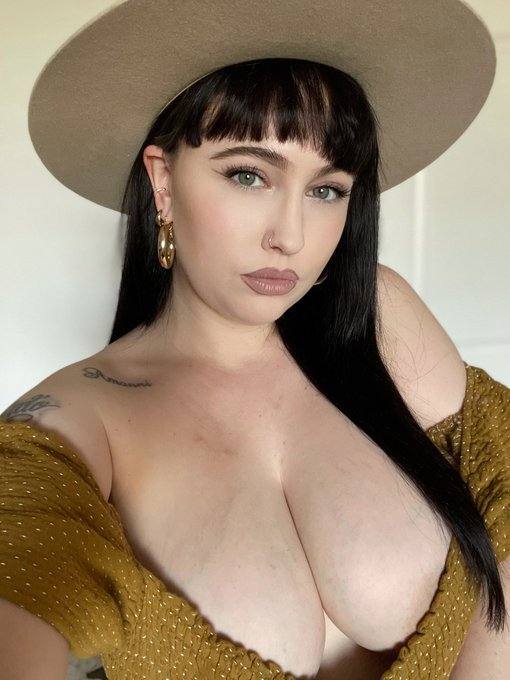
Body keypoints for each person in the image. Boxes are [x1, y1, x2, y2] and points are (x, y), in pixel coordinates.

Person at [1, 2, 509, 679]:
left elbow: (505, 482)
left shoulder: (377, 319)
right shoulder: (73, 423)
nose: (290, 237)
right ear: (163, 182)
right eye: (249, 175)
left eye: (327, 190)